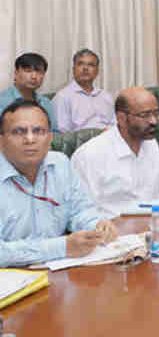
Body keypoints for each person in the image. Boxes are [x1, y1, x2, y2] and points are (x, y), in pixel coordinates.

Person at [0, 100, 117, 267]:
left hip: (59, 271)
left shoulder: (60, 163)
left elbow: (80, 210)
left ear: (50, 137)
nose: (30, 139)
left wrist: (96, 225)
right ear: (1, 140)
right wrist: (61, 247)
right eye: (19, 132)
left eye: (38, 131)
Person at [71, 88, 159, 217]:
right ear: (121, 118)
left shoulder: (151, 144)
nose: (154, 121)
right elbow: (83, 212)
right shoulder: (90, 154)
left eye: (156, 113)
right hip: (113, 230)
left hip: (151, 222)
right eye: (144, 115)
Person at [52, 49, 115, 132]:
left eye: (91, 65)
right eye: (80, 64)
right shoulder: (63, 97)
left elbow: (115, 125)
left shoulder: (106, 96)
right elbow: (63, 133)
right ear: (73, 69)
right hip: (81, 143)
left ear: (97, 71)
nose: (85, 68)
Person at [0, 53, 57, 130]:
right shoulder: (2, 101)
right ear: (16, 73)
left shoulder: (46, 103)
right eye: (28, 71)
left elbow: (53, 133)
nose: (34, 76)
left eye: (39, 72)